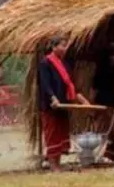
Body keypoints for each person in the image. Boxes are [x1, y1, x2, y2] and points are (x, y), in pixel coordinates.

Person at [38, 36, 90, 172]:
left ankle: (58, 163)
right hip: (51, 105)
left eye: (66, 46)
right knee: (52, 134)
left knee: (61, 133)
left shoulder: (65, 64)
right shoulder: (45, 63)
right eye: (62, 45)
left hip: (63, 104)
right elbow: (45, 84)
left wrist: (81, 99)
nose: (65, 48)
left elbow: (70, 84)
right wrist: (53, 98)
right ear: (54, 47)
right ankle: (53, 165)